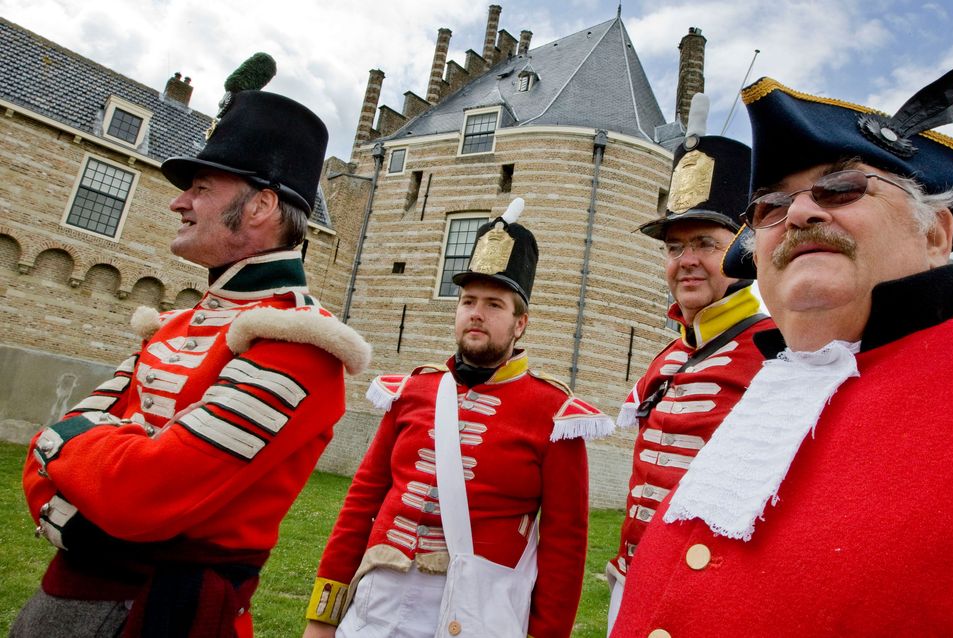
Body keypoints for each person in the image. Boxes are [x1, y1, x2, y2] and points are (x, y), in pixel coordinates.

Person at [612, 68, 953, 636]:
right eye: (770, 208)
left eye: (841, 188)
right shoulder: (776, 382)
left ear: (935, 235)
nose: (800, 213)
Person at [13, 54, 371, 638]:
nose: (179, 202)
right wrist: (86, 461)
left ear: (259, 205)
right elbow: (40, 460)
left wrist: (68, 446)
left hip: (167, 618)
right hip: (61, 600)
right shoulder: (173, 325)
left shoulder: (300, 342)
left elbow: (137, 495)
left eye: (201, 188)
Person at [303, 201, 613, 638]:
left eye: (494, 304)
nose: (476, 313)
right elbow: (361, 502)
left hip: (481, 610)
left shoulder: (554, 414)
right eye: (468, 300)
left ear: (520, 323)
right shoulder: (411, 390)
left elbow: (565, 547)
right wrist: (323, 615)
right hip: (379, 598)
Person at [606, 126, 773, 632]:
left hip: (713, 596)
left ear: (745, 249)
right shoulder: (672, 354)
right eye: (675, 248)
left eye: (705, 242)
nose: (687, 261)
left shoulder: (780, 352)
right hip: (633, 580)